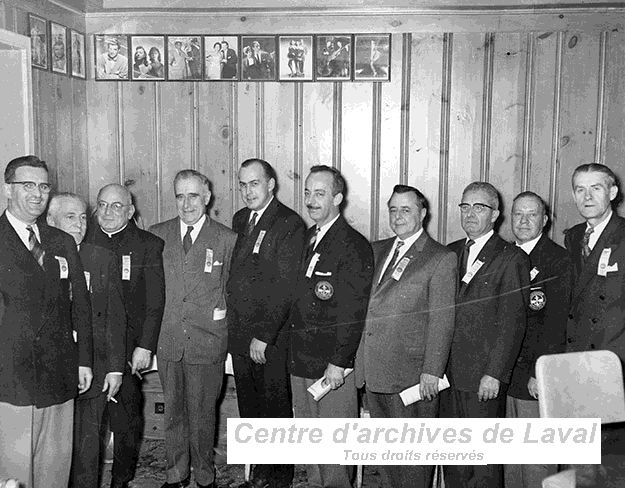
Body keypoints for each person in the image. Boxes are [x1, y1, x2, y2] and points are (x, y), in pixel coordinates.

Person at [0, 155, 93, 487]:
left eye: (43, 186)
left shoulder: (61, 241)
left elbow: (80, 306)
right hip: (11, 381)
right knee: (14, 473)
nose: (37, 194)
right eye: (27, 186)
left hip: (59, 373)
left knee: (54, 470)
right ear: (7, 189)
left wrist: (84, 361)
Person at [355, 184, 456, 488]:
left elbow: (443, 319)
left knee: (412, 460)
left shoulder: (440, 257)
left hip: (412, 376)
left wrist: (432, 372)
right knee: (386, 455)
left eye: (406, 210)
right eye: (393, 209)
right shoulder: (376, 249)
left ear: (423, 214)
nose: (398, 217)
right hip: (375, 370)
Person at [149, 170, 236, 488]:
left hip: (207, 341)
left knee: (203, 414)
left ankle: (204, 475)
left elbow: (229, 291)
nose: (186, 203)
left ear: (207, 197)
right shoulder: (156, 234)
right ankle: (175, 474)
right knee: (172, 411)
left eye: (193, 196)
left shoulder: (227, 239)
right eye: (180, 196)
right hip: (169, 339)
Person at [289, 165, 374, 488]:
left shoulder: (352, 245)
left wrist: (339, 362)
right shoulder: (310, 236)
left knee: (335, 449)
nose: (311, 200)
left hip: (331, 366)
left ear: (337, 198)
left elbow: (353, 312)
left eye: (320, 193)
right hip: (302, 360)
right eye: (308, 192)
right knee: (312, 443)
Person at [442, 181, 530, 488]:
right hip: (447, 376)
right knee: (453, 459)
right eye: (465, 207)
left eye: (479, 207)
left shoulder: (510, 257)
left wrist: (495, 373)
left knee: (483, 465)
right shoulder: (450, 253)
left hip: (483, 379)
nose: (470, 214)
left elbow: (512, 322)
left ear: (495, 214)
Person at [227, 159, 306, 488]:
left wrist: (263, 336)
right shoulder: (240, 219)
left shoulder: (289, 223)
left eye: (254, 183)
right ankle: (259, 473)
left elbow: (285, 288)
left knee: (274, 407)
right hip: (240, 335)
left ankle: (278, 477)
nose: (248, 191)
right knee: (250, 406)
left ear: (271, 184)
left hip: (268, 338)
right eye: (243, 184)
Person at [84, 184, 165, 488]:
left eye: (116, 206)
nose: (107, 212)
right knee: (90, 422)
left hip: (127, 349)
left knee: (126, 418)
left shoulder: (148, 245)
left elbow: (155, 302)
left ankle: (121, 479)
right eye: (102, 205)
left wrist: (145, 346)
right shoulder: (81, 240)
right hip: (90, 349)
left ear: (131, 212)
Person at [47, 193, 126, 488]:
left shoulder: (101, 257)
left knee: (88, 452)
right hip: (52, 375)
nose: (79, 225)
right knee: (53, 455)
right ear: (50, 220)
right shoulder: (37, 257)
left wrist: (116, 368)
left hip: (96, 368)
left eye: (83, 218)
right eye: (70, 217)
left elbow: (116, 317)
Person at [504, 191, 571, 488]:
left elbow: (557, 324)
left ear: (545, 220)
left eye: (532, 214)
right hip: (505, 373)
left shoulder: (557, 260)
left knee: (536, 459)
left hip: (534, 375)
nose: (524, 220)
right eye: (518, 214)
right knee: (510, 457)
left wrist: (539, 373)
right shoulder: (504, 255)